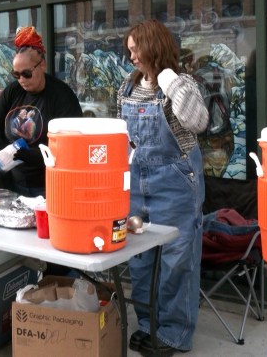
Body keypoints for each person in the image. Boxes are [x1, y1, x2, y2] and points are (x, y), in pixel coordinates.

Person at [117, 20, 209, 356]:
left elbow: (199, 121)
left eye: (135, 51)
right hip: (136, 184)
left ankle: (173, 333)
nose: (132, 59)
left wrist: (168, 79)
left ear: (152, 47)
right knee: (140, 260)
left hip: (175, 185)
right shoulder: (127, 88)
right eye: (129, 52)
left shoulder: (180, 83)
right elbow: (123, 138)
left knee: (176, 260)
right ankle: (148, 325)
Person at [0, 26, 82, 198]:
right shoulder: (12, 92)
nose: (22, 80)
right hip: (12, 184)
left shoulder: (62, 96)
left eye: (27, 73)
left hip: (49, 187)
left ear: (42, 65)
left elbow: (70, 148)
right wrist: (6, 157)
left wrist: (28, 156)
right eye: (16, 74)